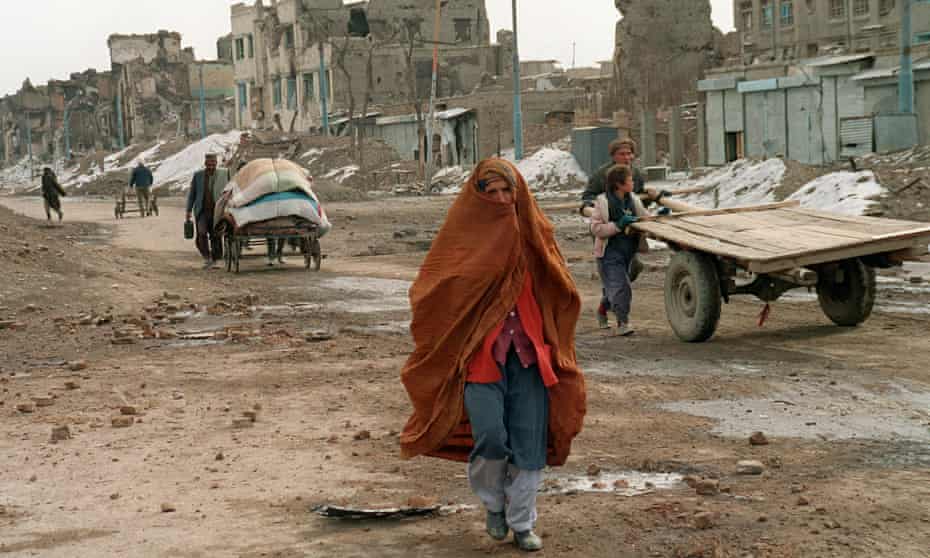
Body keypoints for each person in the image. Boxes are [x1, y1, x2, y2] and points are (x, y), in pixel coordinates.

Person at [400, 159, 587, 552]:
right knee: (489, 437)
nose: (501, 200)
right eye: (492, 192)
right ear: (478, 196)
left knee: (528, 444)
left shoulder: (535, 237)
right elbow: (434, 289)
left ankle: (522, 523)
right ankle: (493, 506)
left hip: (531, 358)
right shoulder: (461, 240)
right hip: (481, 358)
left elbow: (558, 284)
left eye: (508, 192)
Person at [589, 165, 649, 337]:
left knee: (614, 286)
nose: (633, 182)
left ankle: (602, 309)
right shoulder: (603, 203)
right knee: (621, 286)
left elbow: (645, 217)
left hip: (628, 251)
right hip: (609, 253)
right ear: (619, 184)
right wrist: (617, 225)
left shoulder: (634, 200)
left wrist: (657, 218)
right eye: (630, 180)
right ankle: (623, 322)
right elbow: (596, 229)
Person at [186, 153, 229, 268]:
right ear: (205, 163)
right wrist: (188, 211)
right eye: (209, 163)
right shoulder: (198, 175)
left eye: (213, 163)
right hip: (202, 211)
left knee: (216, 235)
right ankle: (207, 257)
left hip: (218, 211)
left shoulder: (225, 174)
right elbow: (192, 194)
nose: (211, 166)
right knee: (201, 233)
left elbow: (230, 190)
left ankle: (216, 259)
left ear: (216, 163)